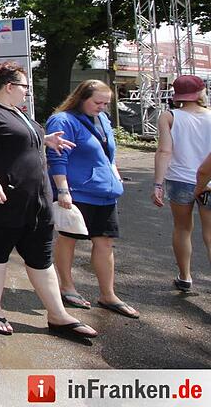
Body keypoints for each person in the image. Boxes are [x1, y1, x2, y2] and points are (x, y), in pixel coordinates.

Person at [0, 62, 94, 339]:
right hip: (1, 200)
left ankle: (58, 315)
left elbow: (17, 140)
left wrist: (45, 138)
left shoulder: (17, 112)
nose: (27, 92)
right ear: (9, 87)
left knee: (41, 256)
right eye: (25, 87)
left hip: (36, 202)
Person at [47, 80, 137, 319]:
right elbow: (57, 158)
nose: (102, 107)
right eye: (97, 102)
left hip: (105, 193)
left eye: (106, 103)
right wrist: (63, 191)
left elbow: (109, 153)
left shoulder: (103, 119)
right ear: (81, 98)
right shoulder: (63, 120)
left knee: (105, 242)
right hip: (78, 193)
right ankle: (66, 287)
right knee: (68, 238)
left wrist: (114, 176)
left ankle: (108, 294)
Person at [152, 74, 211, 293]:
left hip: (180, 180)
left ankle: (185, 277)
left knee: (182, 228)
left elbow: (164, 150)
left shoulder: (169, 116)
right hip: (209, 181)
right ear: (201, 92)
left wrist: (158, 184)